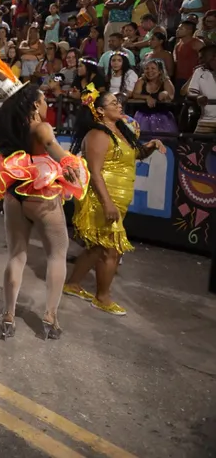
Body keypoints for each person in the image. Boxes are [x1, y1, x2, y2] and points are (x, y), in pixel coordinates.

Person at [0, 57, 89, 340]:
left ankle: (8, 315)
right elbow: (60, 156)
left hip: (13, 193)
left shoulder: (7, 126)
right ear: (32, 104)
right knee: (57, 254)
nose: (47, 105)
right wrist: (75, 163)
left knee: (16, 255)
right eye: (44, 100)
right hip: (41, 194)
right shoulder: (41, 128)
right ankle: (50, 318)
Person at [63, 85, 165, 316]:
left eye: (119, 103)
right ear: (99, 111)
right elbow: (96, 172)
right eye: (114, 103)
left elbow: (134, 155)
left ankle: (73, 284)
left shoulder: (121, 131)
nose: (120, 106)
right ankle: (103, 297)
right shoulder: (98, 134)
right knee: (112, 250)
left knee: (99, 246)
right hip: (103, 197)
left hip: (119, 197)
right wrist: (107, 203)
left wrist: (149, 146)